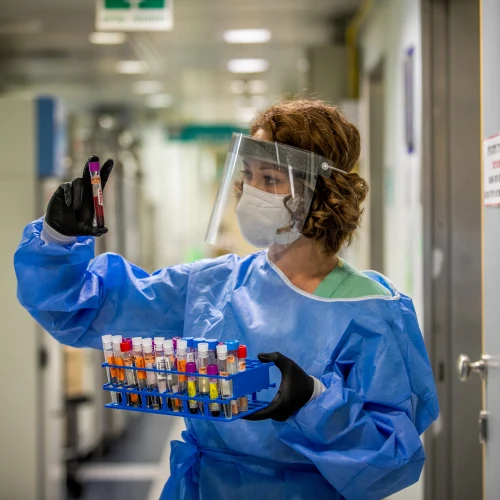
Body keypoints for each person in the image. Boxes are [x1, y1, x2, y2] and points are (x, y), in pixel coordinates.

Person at [15, 99, 439, 500]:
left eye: (269, 179)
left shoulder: (371, 310)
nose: (250, 192)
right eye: (248, 176)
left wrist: (313, 401)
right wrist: (58, 238)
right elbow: (77, 309)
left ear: (321, 194)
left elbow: (391, 461)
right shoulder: (213, 286)